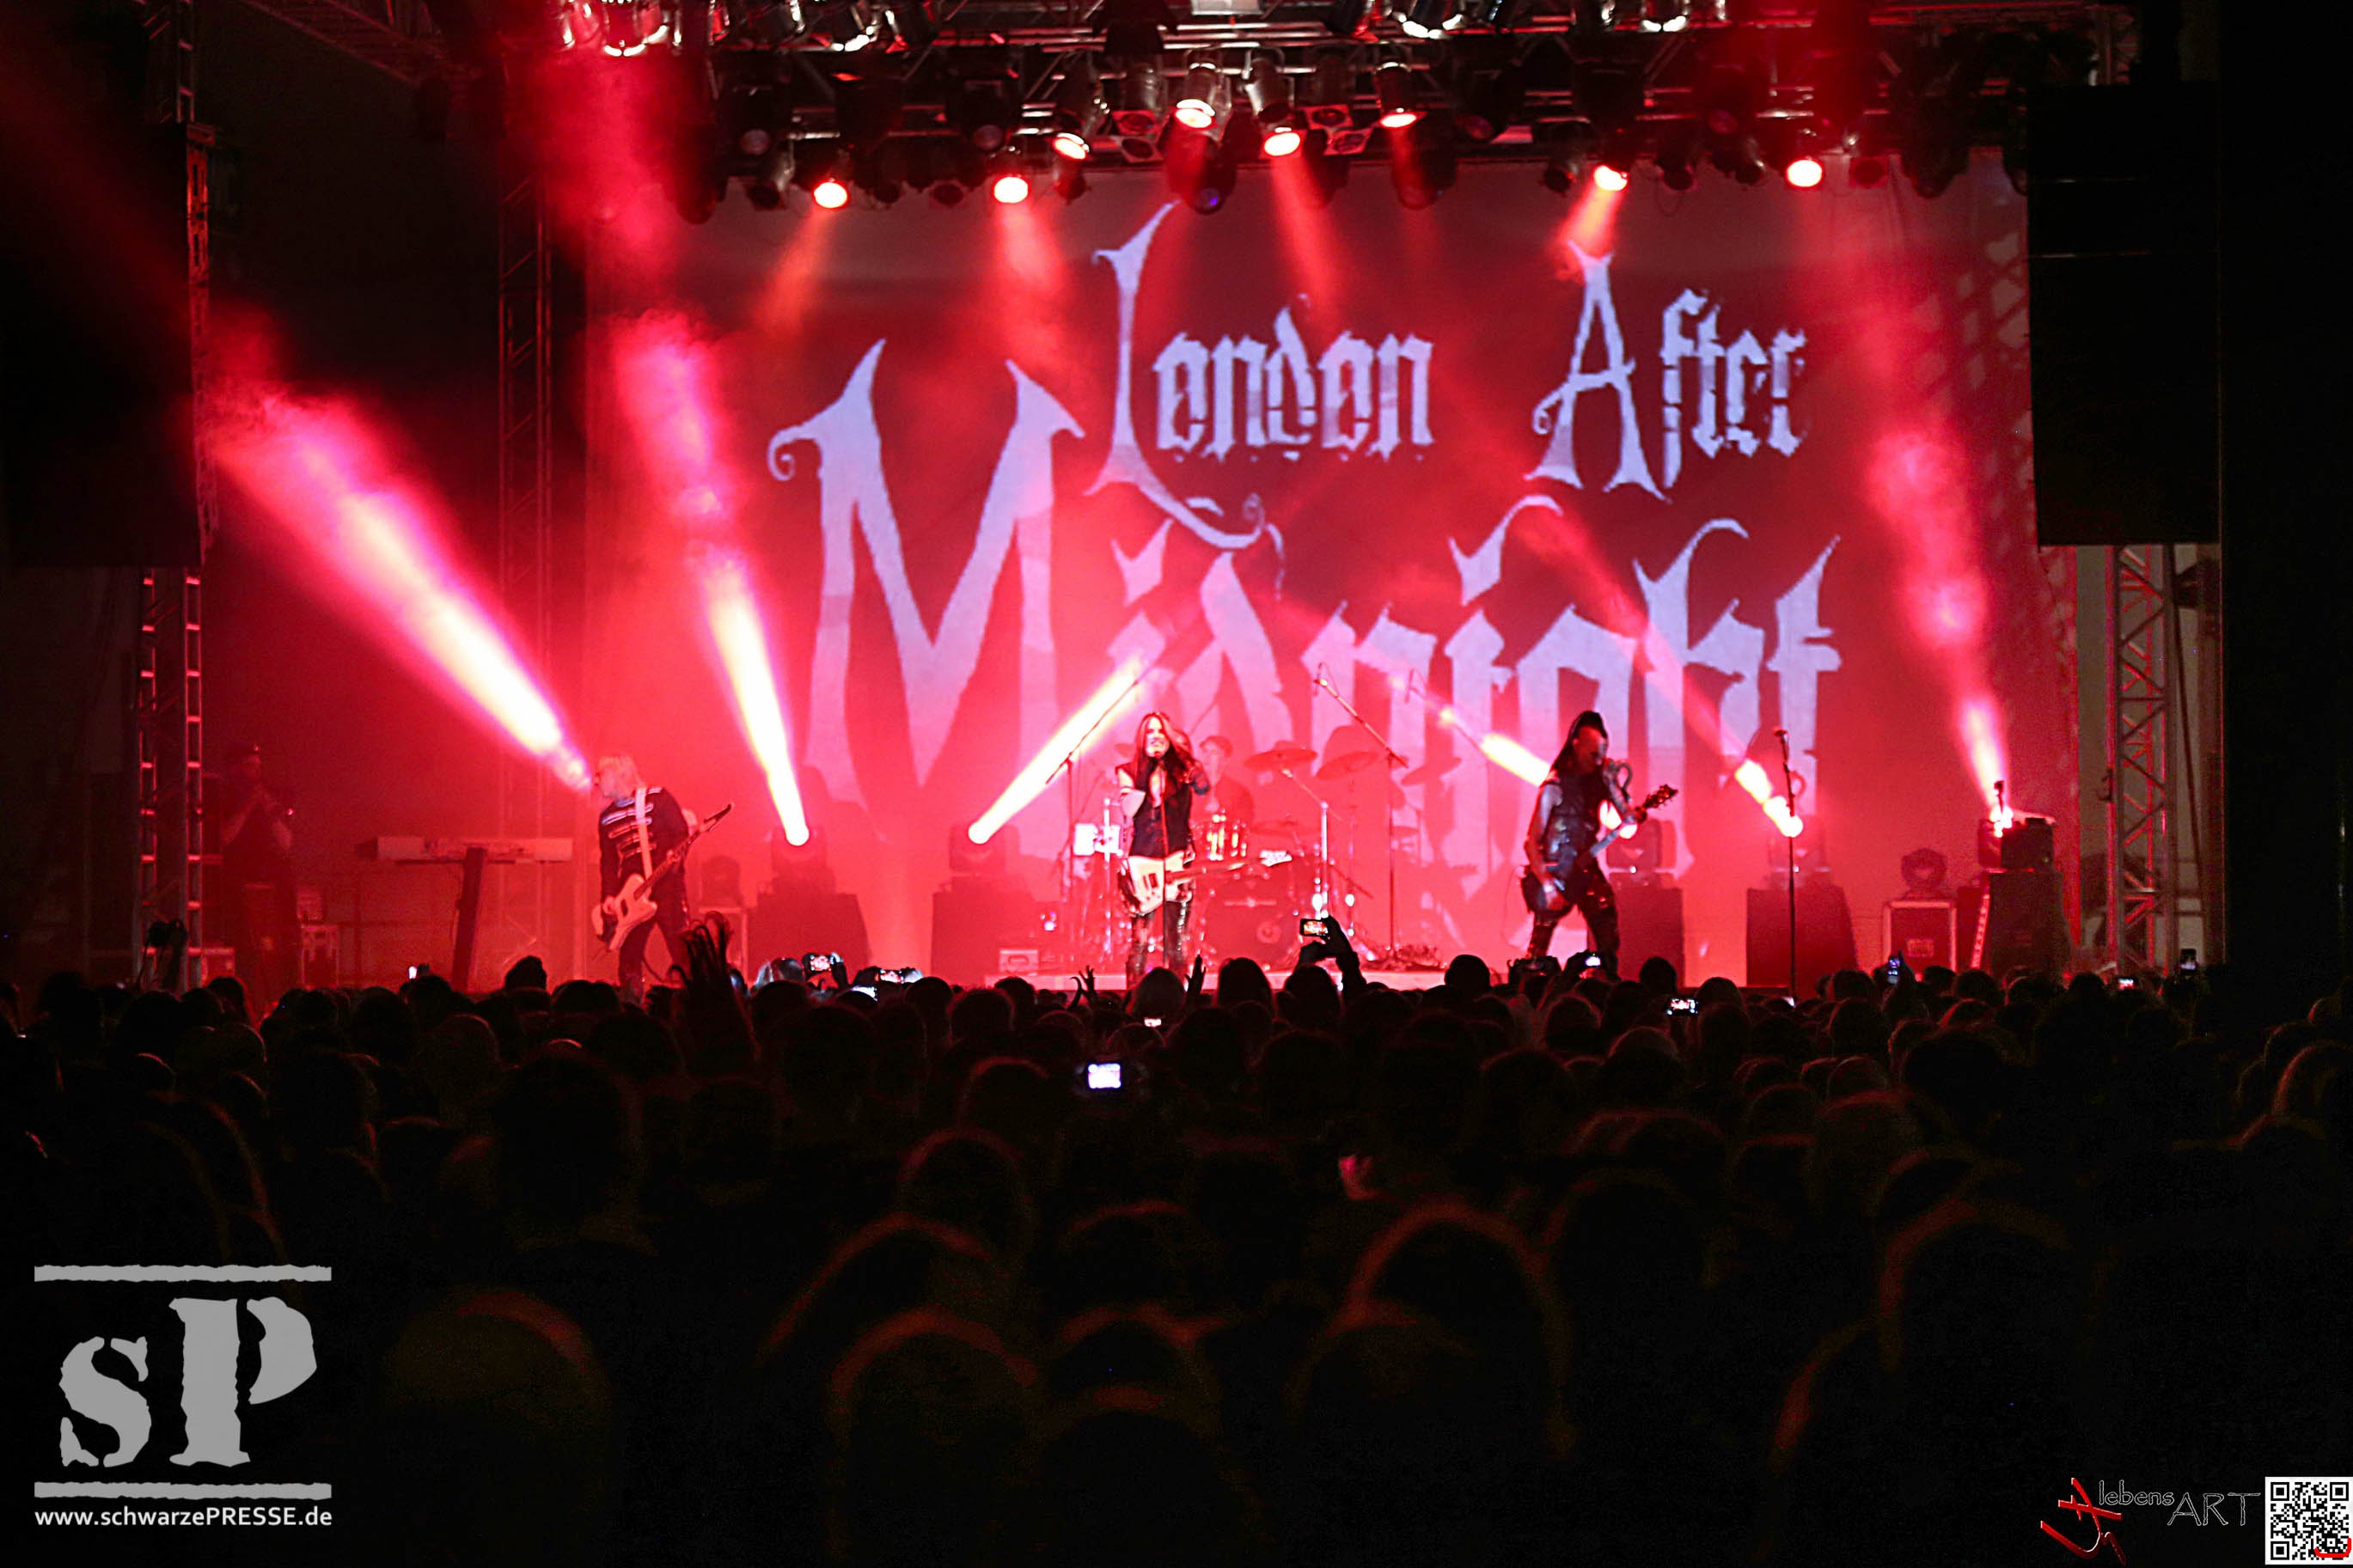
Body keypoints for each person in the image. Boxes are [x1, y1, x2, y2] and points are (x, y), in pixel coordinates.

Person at [1522, 711, 1646, 975]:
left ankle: (1608, 980)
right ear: (1577, 746)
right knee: (1540, 943)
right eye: (1593, 755)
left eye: (1602, 754)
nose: (1599, 761)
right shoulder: (1554, 787)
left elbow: (1627, 822)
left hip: (1585, 869)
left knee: (1606, 922)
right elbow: (1531, 841)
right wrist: (1547, 885)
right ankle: (1531, 985)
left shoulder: (1599, 782)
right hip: (1554, 872)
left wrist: (1613, 784)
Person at [1116, 713, 1211, 987]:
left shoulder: (1182, 771)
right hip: (1143, 859)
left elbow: (1204, 787)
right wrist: (1148, 773)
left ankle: (1178, 994)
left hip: (1178, 857)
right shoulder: (1129, 771)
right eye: (1150, 732)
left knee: (1177, 937)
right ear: (1141, 738)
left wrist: (1184, 758)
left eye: (1161, 731)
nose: (1156, 736)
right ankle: (1134, 994)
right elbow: (1129, 809)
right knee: (1140, 938)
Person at [593, 755, 696, 1000]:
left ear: (620, 775)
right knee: (629, 954)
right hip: (631, 893)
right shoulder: (606, 818)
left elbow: (680, 832)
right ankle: (632, 1003)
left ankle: (694, 1000)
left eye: (601, 775)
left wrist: (675, 855)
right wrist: (609, 895)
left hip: (666, 885)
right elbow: (609, 861)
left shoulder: (658, 799)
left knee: (680, 946)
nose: (596, 781)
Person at [210, 743, 298, 1004]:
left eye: (259, 766)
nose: (256, 772)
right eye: (250, 766)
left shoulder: (270, 798)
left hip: (270, 888)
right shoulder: (223, 799)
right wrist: (248, 806)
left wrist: (271, 814)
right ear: (234, 769)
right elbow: (223, 838)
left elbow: (286, 843)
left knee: (276, 948)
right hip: (236, 887)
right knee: (246, 949)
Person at [1196, 735, 1257, 834]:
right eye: (1205, 751)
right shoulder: (1190, 788)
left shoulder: (1239, 793)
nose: (1207, 757)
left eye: (1213, 753)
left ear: (1225, 760)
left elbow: (1245, 826)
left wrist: (1221, 812)